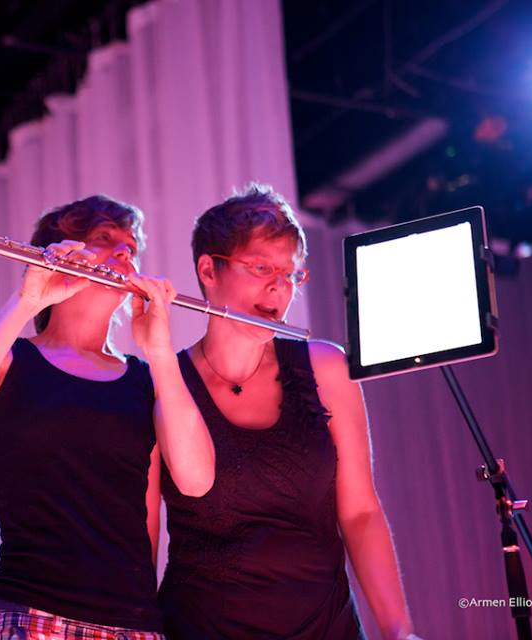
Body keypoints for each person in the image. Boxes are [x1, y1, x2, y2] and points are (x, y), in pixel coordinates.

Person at [0, 195, 215, 639]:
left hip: (131, 625)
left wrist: (159, 351)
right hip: (30, 613)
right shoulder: (11, 361)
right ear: (61, 253)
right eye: (104, 239)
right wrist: (27, 298)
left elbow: (195, 480)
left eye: (131, 247)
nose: (124, 253)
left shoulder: (145, 380)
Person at [159, 184, 417, 639]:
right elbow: (143, 538)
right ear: (208, 269)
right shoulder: (164, 380)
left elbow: (360, 512)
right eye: (261, 267)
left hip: (325, 627)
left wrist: (400, 631)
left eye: (291, 274)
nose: (279, 286)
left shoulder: (325, 367)